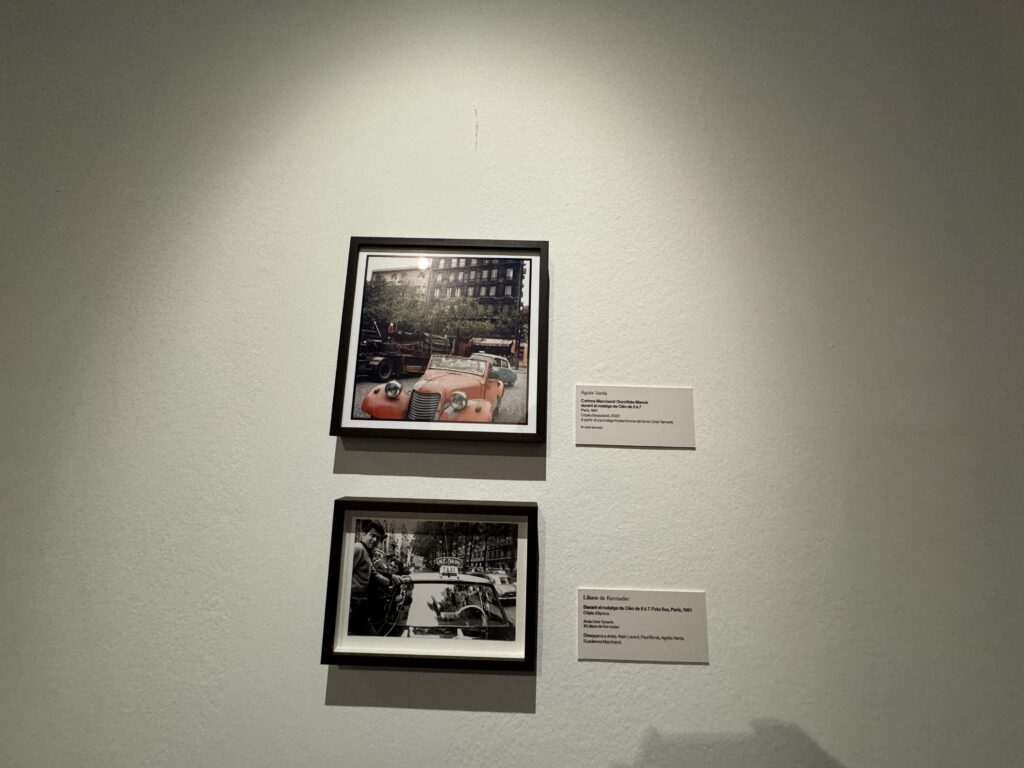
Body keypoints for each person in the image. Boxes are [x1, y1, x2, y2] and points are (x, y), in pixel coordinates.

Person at [349, 521, 407, 635]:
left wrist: (393, 579)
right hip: (351, 603)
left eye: (378, 538)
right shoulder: (358, 548)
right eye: (372, 535)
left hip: (357, 603)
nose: (375, 540)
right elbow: (343, 575)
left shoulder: (366, 551)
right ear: (364, 534)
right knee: (370, 636)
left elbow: (374, 573)